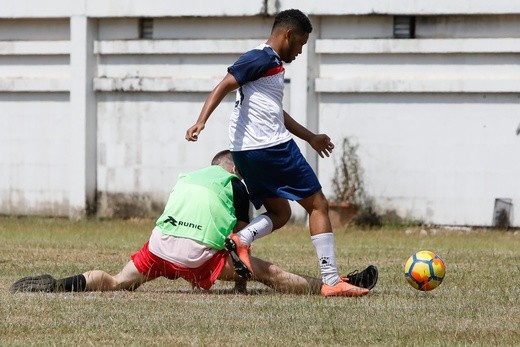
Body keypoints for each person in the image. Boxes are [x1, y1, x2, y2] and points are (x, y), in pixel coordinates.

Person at [186, 9, 378, 297]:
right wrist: (201, 121)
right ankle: (331, 280)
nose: (300, 51)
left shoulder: (269, 65)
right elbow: (224, 84)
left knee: (280, 212)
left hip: (245, 153)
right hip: (270, 147)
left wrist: (310, 137)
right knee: (318, 205)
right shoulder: (261, 57)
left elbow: (275, 111)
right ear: (288, 34)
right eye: (300, 43)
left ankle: (242, 238)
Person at [10, 150, 377, 295]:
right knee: (272, 272)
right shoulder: (235, 185)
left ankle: (59, 285)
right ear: (234, 169)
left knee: (117, 281)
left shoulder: (187, 177)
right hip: (198, 257)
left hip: (158, 247)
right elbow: (240, 243)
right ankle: (331, 286)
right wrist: (241, 287)